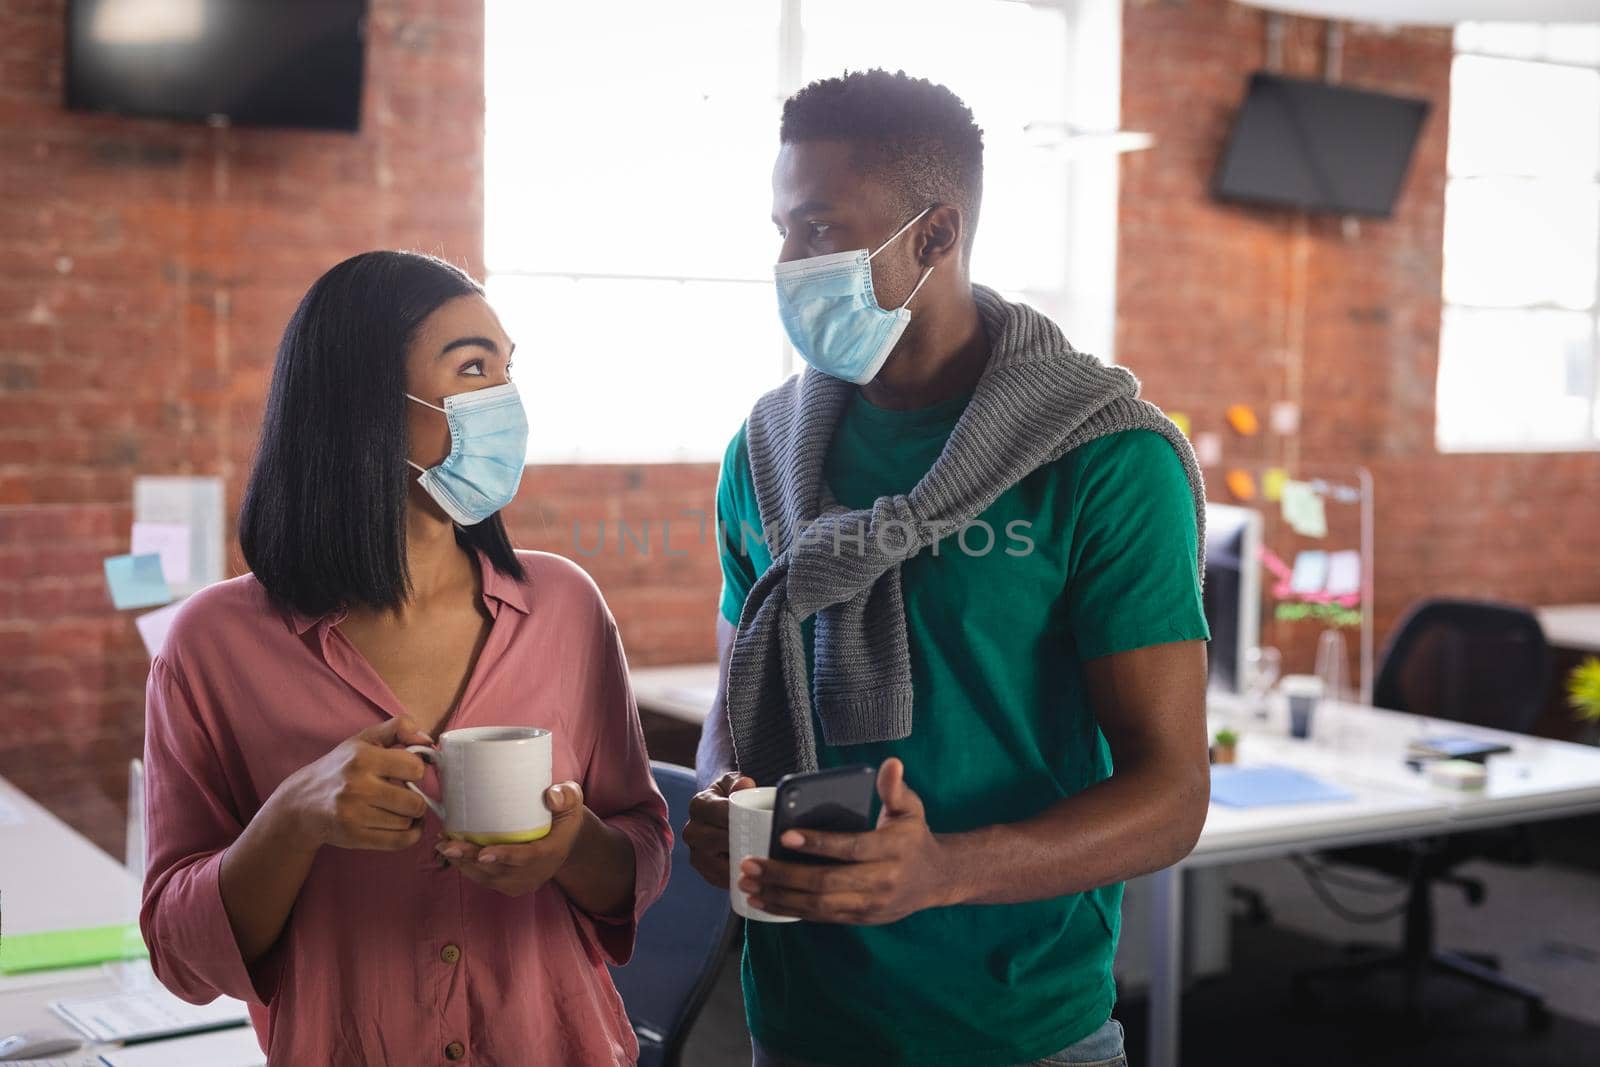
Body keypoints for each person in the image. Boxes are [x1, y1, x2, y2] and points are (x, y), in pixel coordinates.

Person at [684, 71, 1211, 1067]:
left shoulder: (1104, 456)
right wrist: (720, 799)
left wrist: (943, 869)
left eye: (816, 229)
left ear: (935, 235)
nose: (788, 263)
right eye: (781, 231)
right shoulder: (762, 449)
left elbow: (1173, 792)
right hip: (797, 1021)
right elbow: (734, 703)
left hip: (1017, 1027)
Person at [140, 250, 670, 1065]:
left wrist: (571, 847)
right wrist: (291, 820)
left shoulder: (566, 607)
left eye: (508, 369)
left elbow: (641, 849)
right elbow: (179, 953)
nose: (507, 400)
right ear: (366, 405)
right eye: (472, 368)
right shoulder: (212, 644)